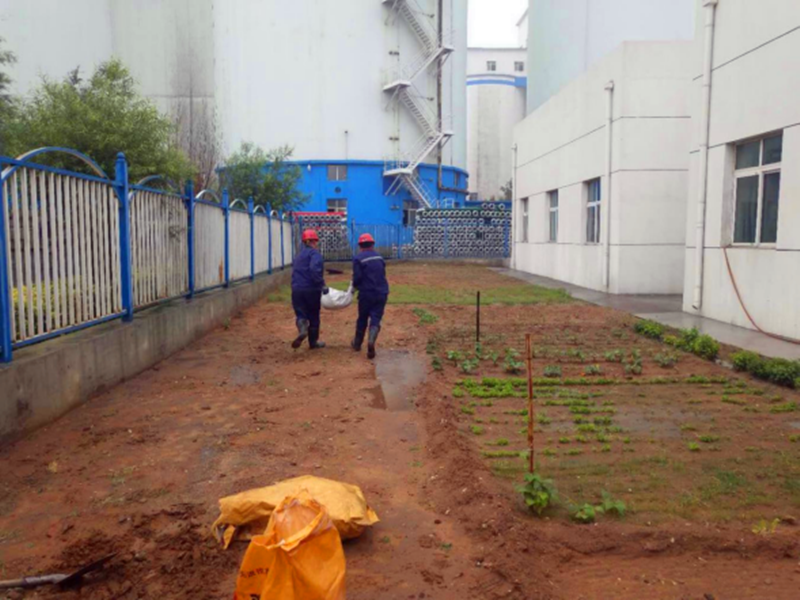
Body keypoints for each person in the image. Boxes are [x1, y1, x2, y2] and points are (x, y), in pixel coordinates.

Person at [351, 233, 389, 359]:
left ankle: (357, 344)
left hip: (366, 293)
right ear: (372, 245)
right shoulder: (379, 257)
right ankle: (371, 340)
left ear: (360, 246)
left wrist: (354, 287)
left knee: (362, 318)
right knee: (376, 318)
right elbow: (382, 274)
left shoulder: (358, 258)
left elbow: (357, 278)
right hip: (381, 292)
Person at [291, 229, 327, 349]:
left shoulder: (299, 256)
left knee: (301, 314)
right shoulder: (315, 254)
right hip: (311, 289)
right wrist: (322, 284)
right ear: (314, 241)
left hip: (296, 289)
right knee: (313, 315)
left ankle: (302, 329)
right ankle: (313, 342)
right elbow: (314, 269)